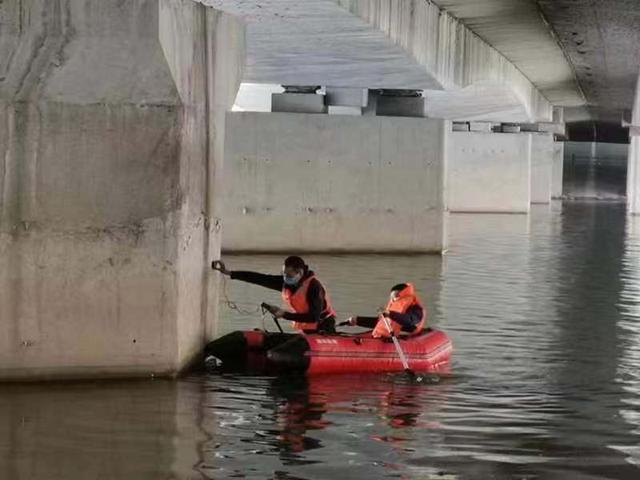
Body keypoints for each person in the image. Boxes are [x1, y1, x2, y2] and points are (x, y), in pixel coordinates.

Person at [212, 256, 336, 334]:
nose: (286, 278)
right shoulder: (286, 282)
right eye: (284, 274)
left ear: (300, 272)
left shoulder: (314, 287)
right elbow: (259, 278)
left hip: (323, 327)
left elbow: (313, 317)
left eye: (289, 275)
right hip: (306, 329)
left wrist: (284, 314)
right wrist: (229, 273)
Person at [346, 283, 425, 338]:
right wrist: (358, 321)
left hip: (405, 339)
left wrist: (391, 314)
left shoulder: (416, 309)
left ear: (404, 295)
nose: (393, 300)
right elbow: (380, 324)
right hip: (387, 337)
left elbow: (409, 321)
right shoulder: (393, 309)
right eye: (392, 298)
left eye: (396, 296)